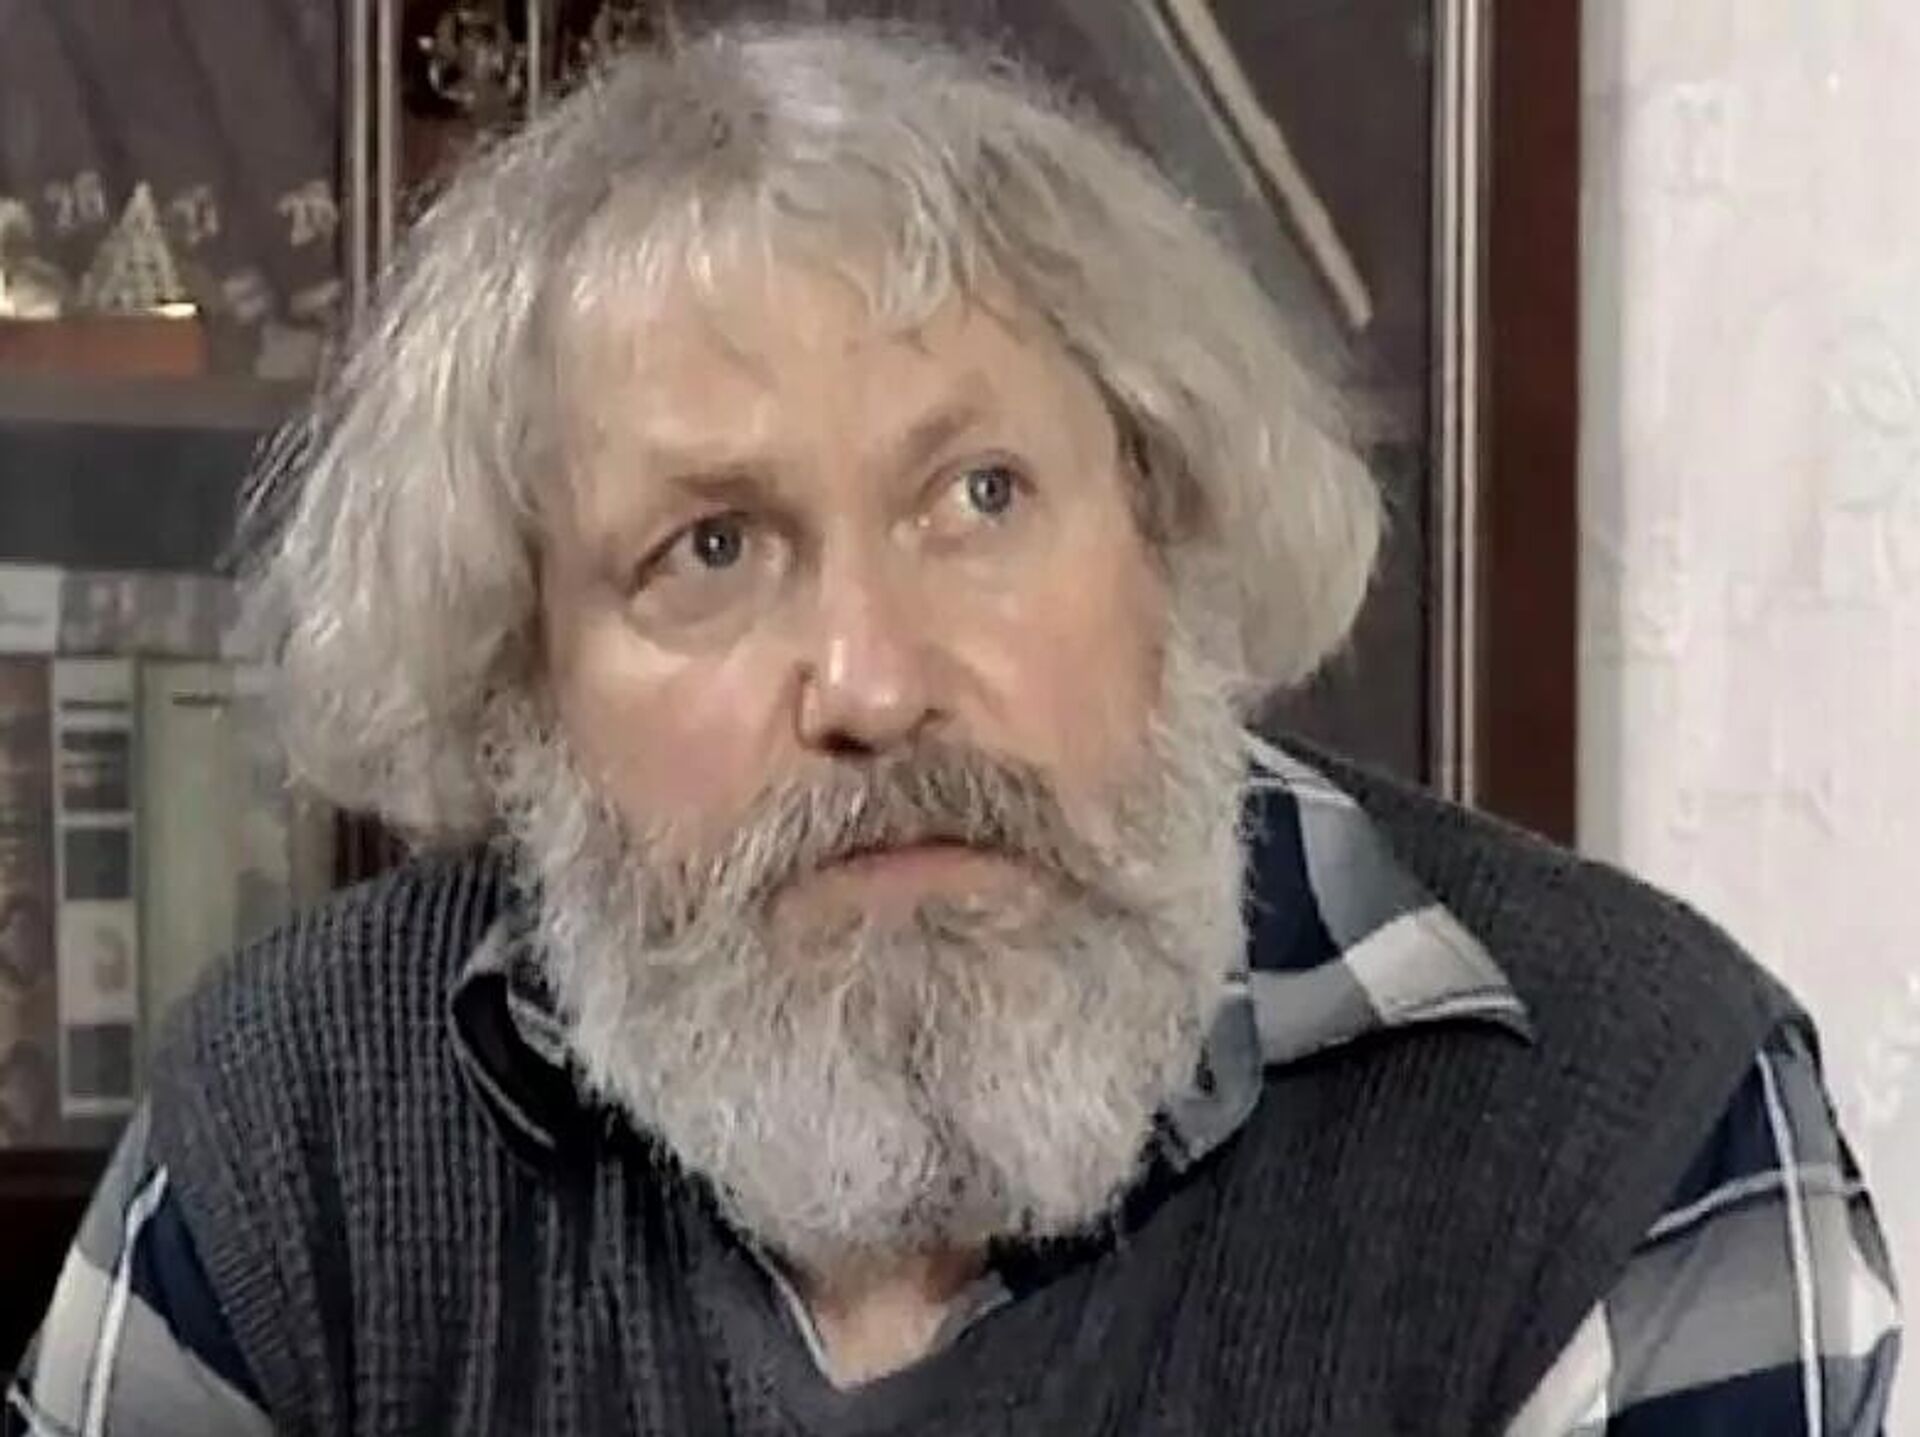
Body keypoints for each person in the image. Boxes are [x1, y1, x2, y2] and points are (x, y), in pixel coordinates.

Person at [5, 21, 1900, 1436]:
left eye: (979, 496)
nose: (872, 676)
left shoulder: (1638, 1125)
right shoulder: (301, 1132)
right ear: (526, 685)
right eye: (711, 545)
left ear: (1164, 529)